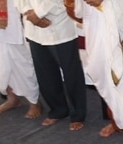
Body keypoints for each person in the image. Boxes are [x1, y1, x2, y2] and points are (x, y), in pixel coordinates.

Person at [65, 0, 123, 143]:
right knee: (104, 75)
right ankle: (117, 119)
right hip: (95, 27)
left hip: (120, 29)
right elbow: (76, 10)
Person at [14, 0, 87, 131]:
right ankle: (58, 110)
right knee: (45, 73)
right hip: (33, 27)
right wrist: (28, 12)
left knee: (71, 73)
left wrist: (38, 14)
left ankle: (78, 115)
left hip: (59, 23)